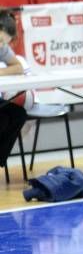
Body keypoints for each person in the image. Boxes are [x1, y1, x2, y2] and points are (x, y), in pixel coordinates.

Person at [0, 9, 26, 171]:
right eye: (1, 40)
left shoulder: (2, 47)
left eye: (5, 43)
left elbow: (18, 67)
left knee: (19, 114)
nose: (2, 46)